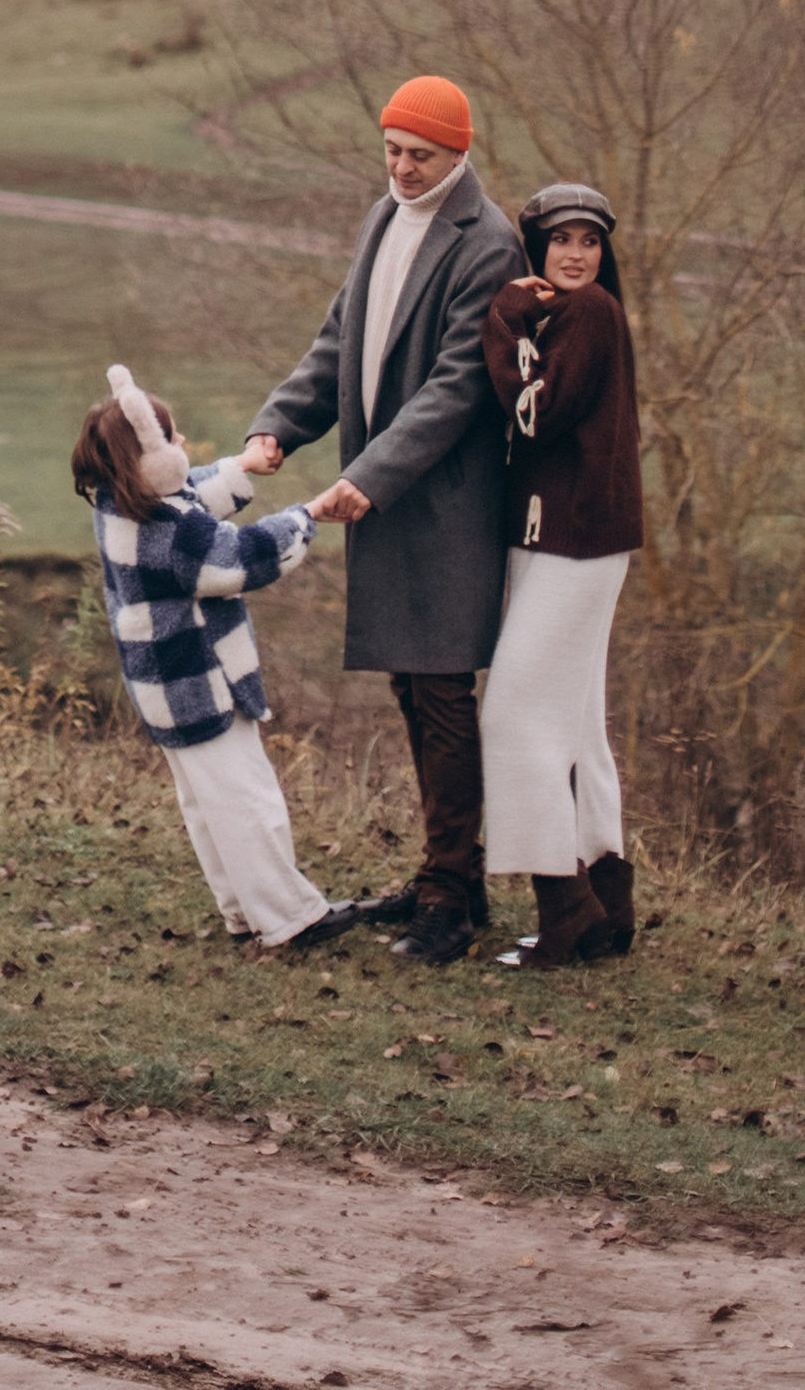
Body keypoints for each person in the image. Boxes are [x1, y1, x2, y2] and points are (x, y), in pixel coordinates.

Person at [239, 76, 524, 965]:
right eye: (393, 150)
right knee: (411, 685)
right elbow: (338, 341)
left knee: (441, 692)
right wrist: (277, 424)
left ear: (458, 154)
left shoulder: (491, 242)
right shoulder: (381, 217)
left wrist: (370, 475)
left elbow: (457, 388)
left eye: (421, 156)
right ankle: (451, 876)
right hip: (388, 500)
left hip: (441, 505)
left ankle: (449, 899)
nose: (402, 168)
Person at [72, 363, 365, 956]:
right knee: (245, 797)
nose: (182, 447)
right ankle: (288, 919)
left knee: (210, 803)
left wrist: (240, 467)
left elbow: (188, 494)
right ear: (151, 460)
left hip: (167, 685)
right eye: (173, 440)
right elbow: (239, 558)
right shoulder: (169, 535)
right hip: (197, 680)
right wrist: (307, 516)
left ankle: (244, 910)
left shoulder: (121, 503)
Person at [476, 178, 644, 971]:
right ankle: (607, 899)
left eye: (590, 241)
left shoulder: (585, 314)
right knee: (577, 724)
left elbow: (534, 413)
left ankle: (564, 908)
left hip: (571, 544)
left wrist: (506, 319)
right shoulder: (584, 316)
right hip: (577, 539)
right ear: (535, 246)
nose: (576, 254)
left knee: (512, 719)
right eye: (560, 240)